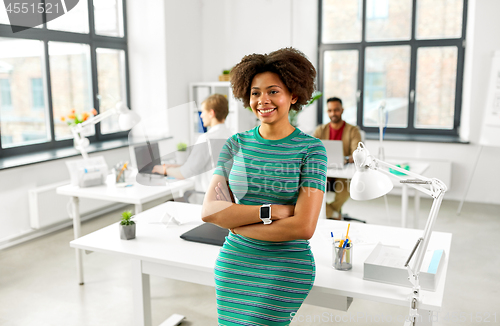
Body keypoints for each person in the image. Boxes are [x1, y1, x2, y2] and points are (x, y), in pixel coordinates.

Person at [201, 48, 327, 326]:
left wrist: (237, 223)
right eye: (255, 92)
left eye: (273, 91)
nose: (263, 100)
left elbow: (303, 227)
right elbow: (210, 211)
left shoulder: (311, 150)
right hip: (234, 264)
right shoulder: (235, 144)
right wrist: (273, 211)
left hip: (284, 267)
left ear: (293, 95)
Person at [152, 94, 232, 201]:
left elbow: (184, 173)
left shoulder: (206, 138)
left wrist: (163, 169)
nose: (201, 115)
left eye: (203, 112)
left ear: (211, 113)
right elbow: (206, 165)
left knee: (167, 202)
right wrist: (174, 166)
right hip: (225, 198)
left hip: (206, 198)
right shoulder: (232, 136)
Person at [313, 97, 361, 219]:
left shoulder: (353, 130)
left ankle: (330, 213)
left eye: (336, 110)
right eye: (330, 110)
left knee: (345, 190)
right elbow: (311, 149)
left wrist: (345, 159)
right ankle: (334, 214)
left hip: (342, 172)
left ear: (342, 110)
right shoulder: (320, 130)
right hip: (325, 170)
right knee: (308, 190)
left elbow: (357, 152)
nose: (333, 113)